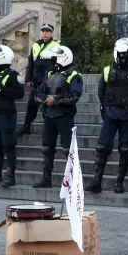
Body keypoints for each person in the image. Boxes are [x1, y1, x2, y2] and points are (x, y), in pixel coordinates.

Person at [88, 37, 128, 193]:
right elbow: (101, 91)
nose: (125, 57)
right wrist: (107, 108)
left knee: (125, 149)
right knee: (102, 147)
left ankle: (119, 183)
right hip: (111, 115)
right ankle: (96, 181)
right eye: (122, 54)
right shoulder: (108, 71)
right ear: (116, 54)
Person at [34, 45, 82, 188]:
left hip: (64, 116)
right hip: (49, 115)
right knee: (47, 148)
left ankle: (72, 182)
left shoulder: (74, 75)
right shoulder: (50, 73)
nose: (53, 61)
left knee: (68, 150)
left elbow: (74, 96)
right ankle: (46, 178)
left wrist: (55, 99)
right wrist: (45, 99)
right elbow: (38, 92)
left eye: (55, 58)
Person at [0, 43, 23, 188]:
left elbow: (19, 93)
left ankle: (10, 175)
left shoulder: (12, 75)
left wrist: (2, 90)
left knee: (8, 145)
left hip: (6, 115)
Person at [22, 23, 59, 134]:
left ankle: (49, 130)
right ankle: (26, 126)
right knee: (32, 105)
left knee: (48, 106)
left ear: (51, 33)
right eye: (43, 31)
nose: (44, 33)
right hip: (36, 81)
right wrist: (28, 78)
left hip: (49, 81)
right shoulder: (36, 45)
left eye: (47, 31)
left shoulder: (56, 46)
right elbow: (30, 64)